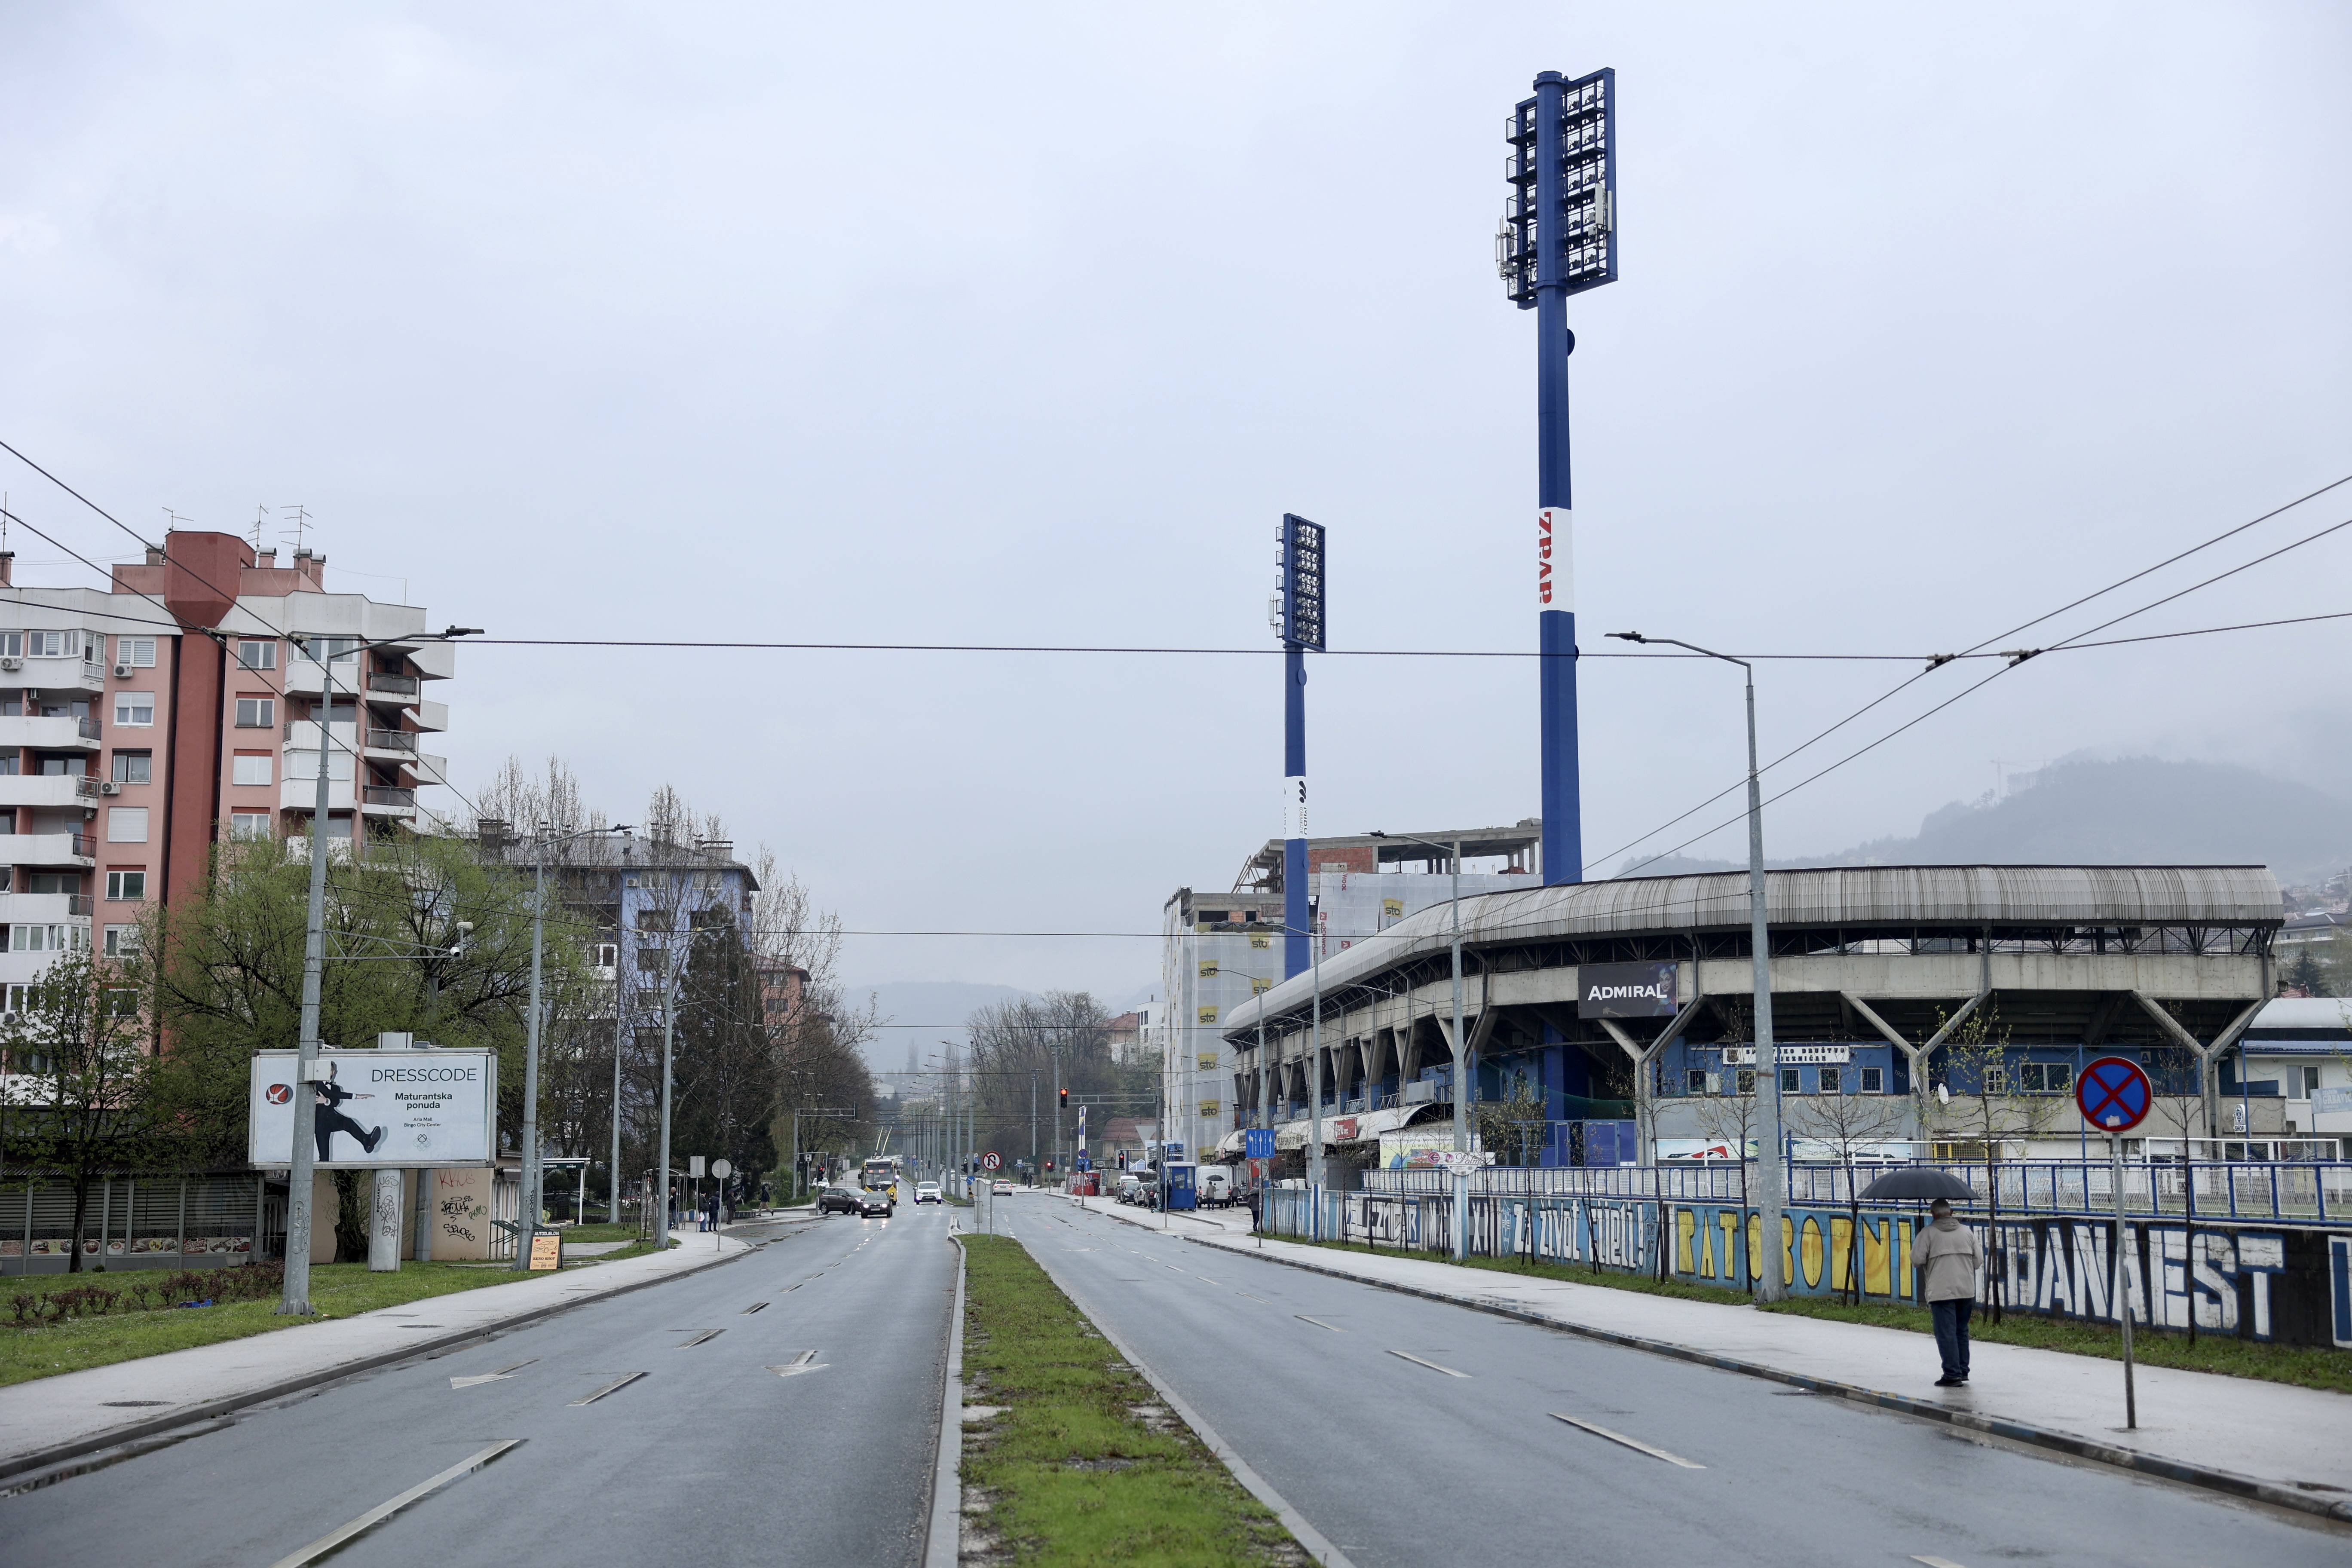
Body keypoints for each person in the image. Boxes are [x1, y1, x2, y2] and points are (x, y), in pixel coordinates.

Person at [1919, 1198, 1984, 1387]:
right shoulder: (1967, 1232)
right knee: (1961, 1330)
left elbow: (1916, 1259)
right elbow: (1978, 1262)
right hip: (1966, 1290)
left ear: (1933, 1214)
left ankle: (1952, 1374)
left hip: (1941, 1291)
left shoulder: (1928, 1233)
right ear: (1951, 1212)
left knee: (1946, 1333)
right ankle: (1963, 1371)